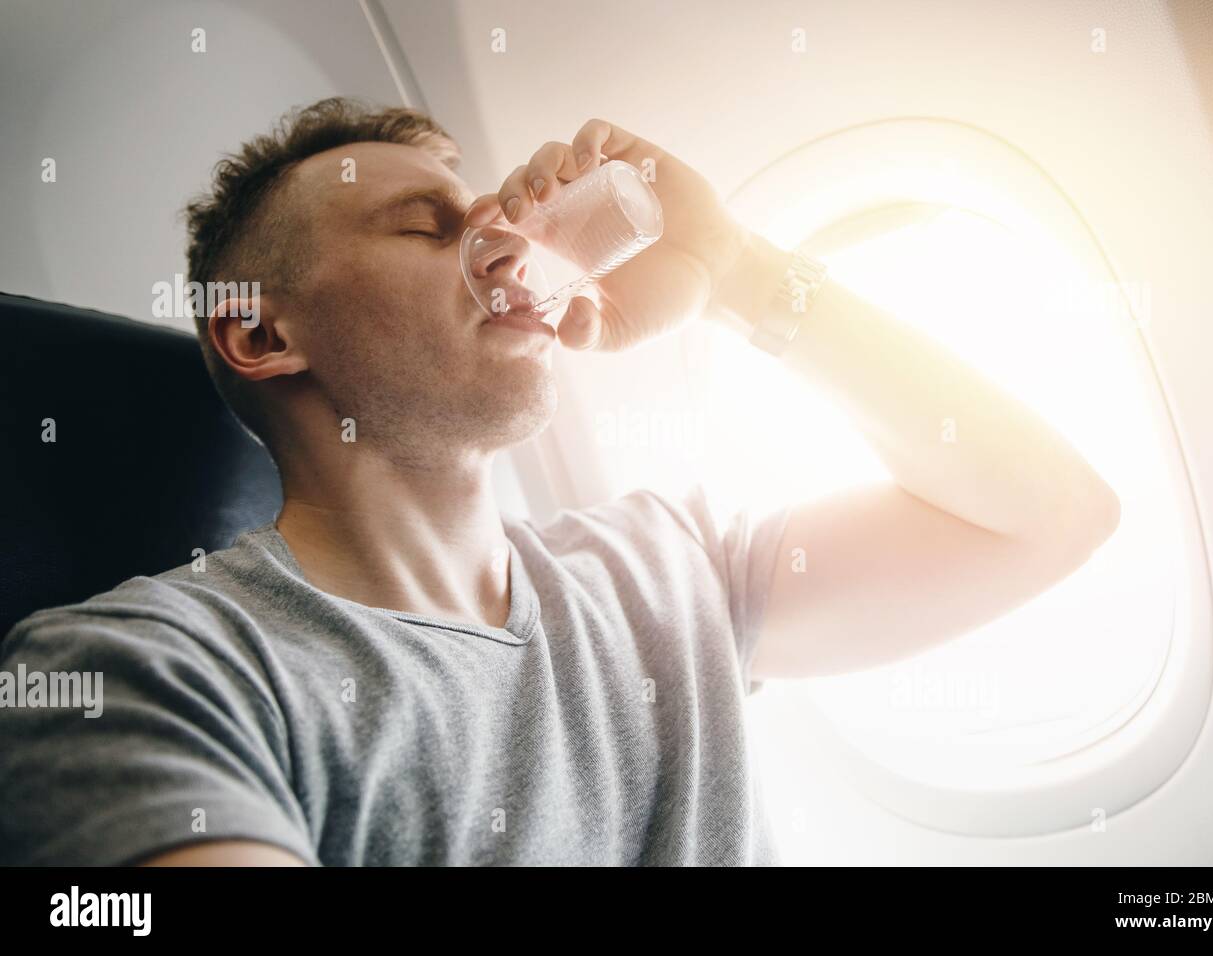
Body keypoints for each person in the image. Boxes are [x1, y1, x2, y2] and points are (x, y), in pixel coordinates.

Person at [0, 98, 1119, 866]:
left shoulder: (668, 571)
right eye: (428, 227)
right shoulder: (129, 673)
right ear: (258, 334)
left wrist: (730, 265)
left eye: (498, 219)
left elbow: (1049, 516)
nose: (504, 251)